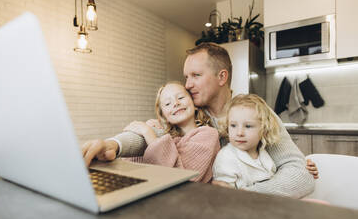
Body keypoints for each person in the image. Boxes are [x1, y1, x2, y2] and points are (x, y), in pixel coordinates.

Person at [82, 42, 317, 198]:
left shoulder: (253, 113)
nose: (187, 85)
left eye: (195, 76)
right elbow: (152, 134)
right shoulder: (192, 116)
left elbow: (298, 174)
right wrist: (113, 144)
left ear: (221, 77)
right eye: (186, 77)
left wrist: (242, 194)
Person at [83, 82, 220, 183]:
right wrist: (112, 144)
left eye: (181, 98)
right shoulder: (161, 131)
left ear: (194, 104)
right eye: (167, 104)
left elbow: (186, 177)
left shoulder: (208, 134)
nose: (175, 103)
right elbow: (135, 141)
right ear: (164, 115)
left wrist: (147, 132)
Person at [211, 94, 283, 189]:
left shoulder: (263, 153)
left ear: (264, 129)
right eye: (233, 125)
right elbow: (224, 195)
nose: (239, 133)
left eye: (248, 126)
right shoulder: (226, 157)